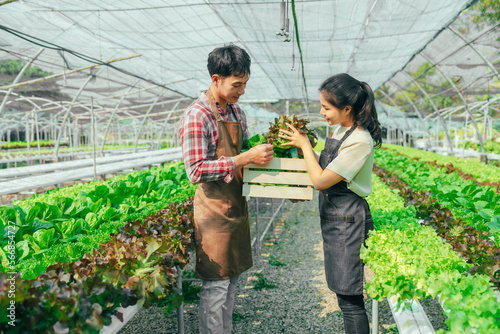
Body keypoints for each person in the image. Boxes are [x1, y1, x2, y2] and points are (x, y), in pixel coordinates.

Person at [179, 44, 274, 334]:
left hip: (236, 207)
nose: (242, 90)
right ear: (216, 79)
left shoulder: (236, 112)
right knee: (216, 287)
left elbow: (247, 159)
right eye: (237, 84)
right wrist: (244, 158)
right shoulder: (198, 116)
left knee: (232, 282)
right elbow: (195, 170)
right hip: (213, 214)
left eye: (245, 84)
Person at [278, 73, 382, 334]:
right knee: (341, 292)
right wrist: (302, 147)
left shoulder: (360, 140)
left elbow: (321, 180)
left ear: (346, 109)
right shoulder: (342, 131)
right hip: (337, 218)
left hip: (347, 220)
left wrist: (304, 147)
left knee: (350, 298)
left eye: (326, 107)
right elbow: (327, 167)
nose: (321, 112)